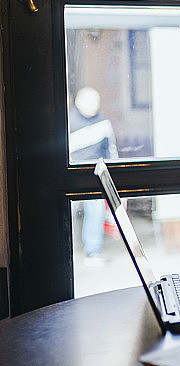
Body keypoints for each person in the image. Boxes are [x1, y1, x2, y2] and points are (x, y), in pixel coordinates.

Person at [69, 86, 119, 266]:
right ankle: (67, 251)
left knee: (96, 212)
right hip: (71, 176)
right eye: (89, 101)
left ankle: (93, 251)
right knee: (66, 213)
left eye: (96, 101)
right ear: (78, 102)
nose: (93, 105)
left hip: (95, 176)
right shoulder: (67, 121)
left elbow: (111, 149)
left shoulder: (103, 122)